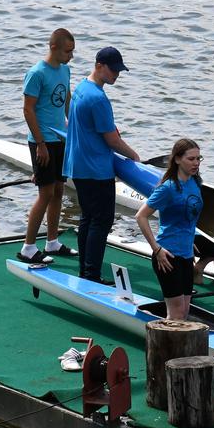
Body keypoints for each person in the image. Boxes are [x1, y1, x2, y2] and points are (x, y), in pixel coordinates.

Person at [62, 46, 140, 283]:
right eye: (113, 69)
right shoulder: (98, 98)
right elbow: (112, 139)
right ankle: (92, 274)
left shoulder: (81, 89)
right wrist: (134, 157)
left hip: (78, 166)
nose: (117, 74)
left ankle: (85, 271)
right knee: (102, 221)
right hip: (96, 170)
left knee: (88, 218)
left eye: (119, 70)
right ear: (99, 66)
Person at [18, 28, 78, 264]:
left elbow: (67, 101)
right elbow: (27, 109)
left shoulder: (65, 70)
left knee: (59, 191)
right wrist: (40, 143)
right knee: (45, 193)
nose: (71, 56)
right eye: (67, 51)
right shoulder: (37, 73)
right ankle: (28, 248)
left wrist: (75, 129)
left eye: (72, 52)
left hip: (60, 140)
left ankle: (52, 242)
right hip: (41, 142)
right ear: (53, 47)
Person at [136, 139, 204, 320]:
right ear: (177, 160)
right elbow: (141, 216)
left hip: (187, 255)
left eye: (199, 158)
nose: (196, 163)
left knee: (185, 310)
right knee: (176, 313)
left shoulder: (195, 183)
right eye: (191, 159)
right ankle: (168, 347)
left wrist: (190, 240)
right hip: (167, 256)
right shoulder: (168, 188)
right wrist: (156, 249)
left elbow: (190, 214)